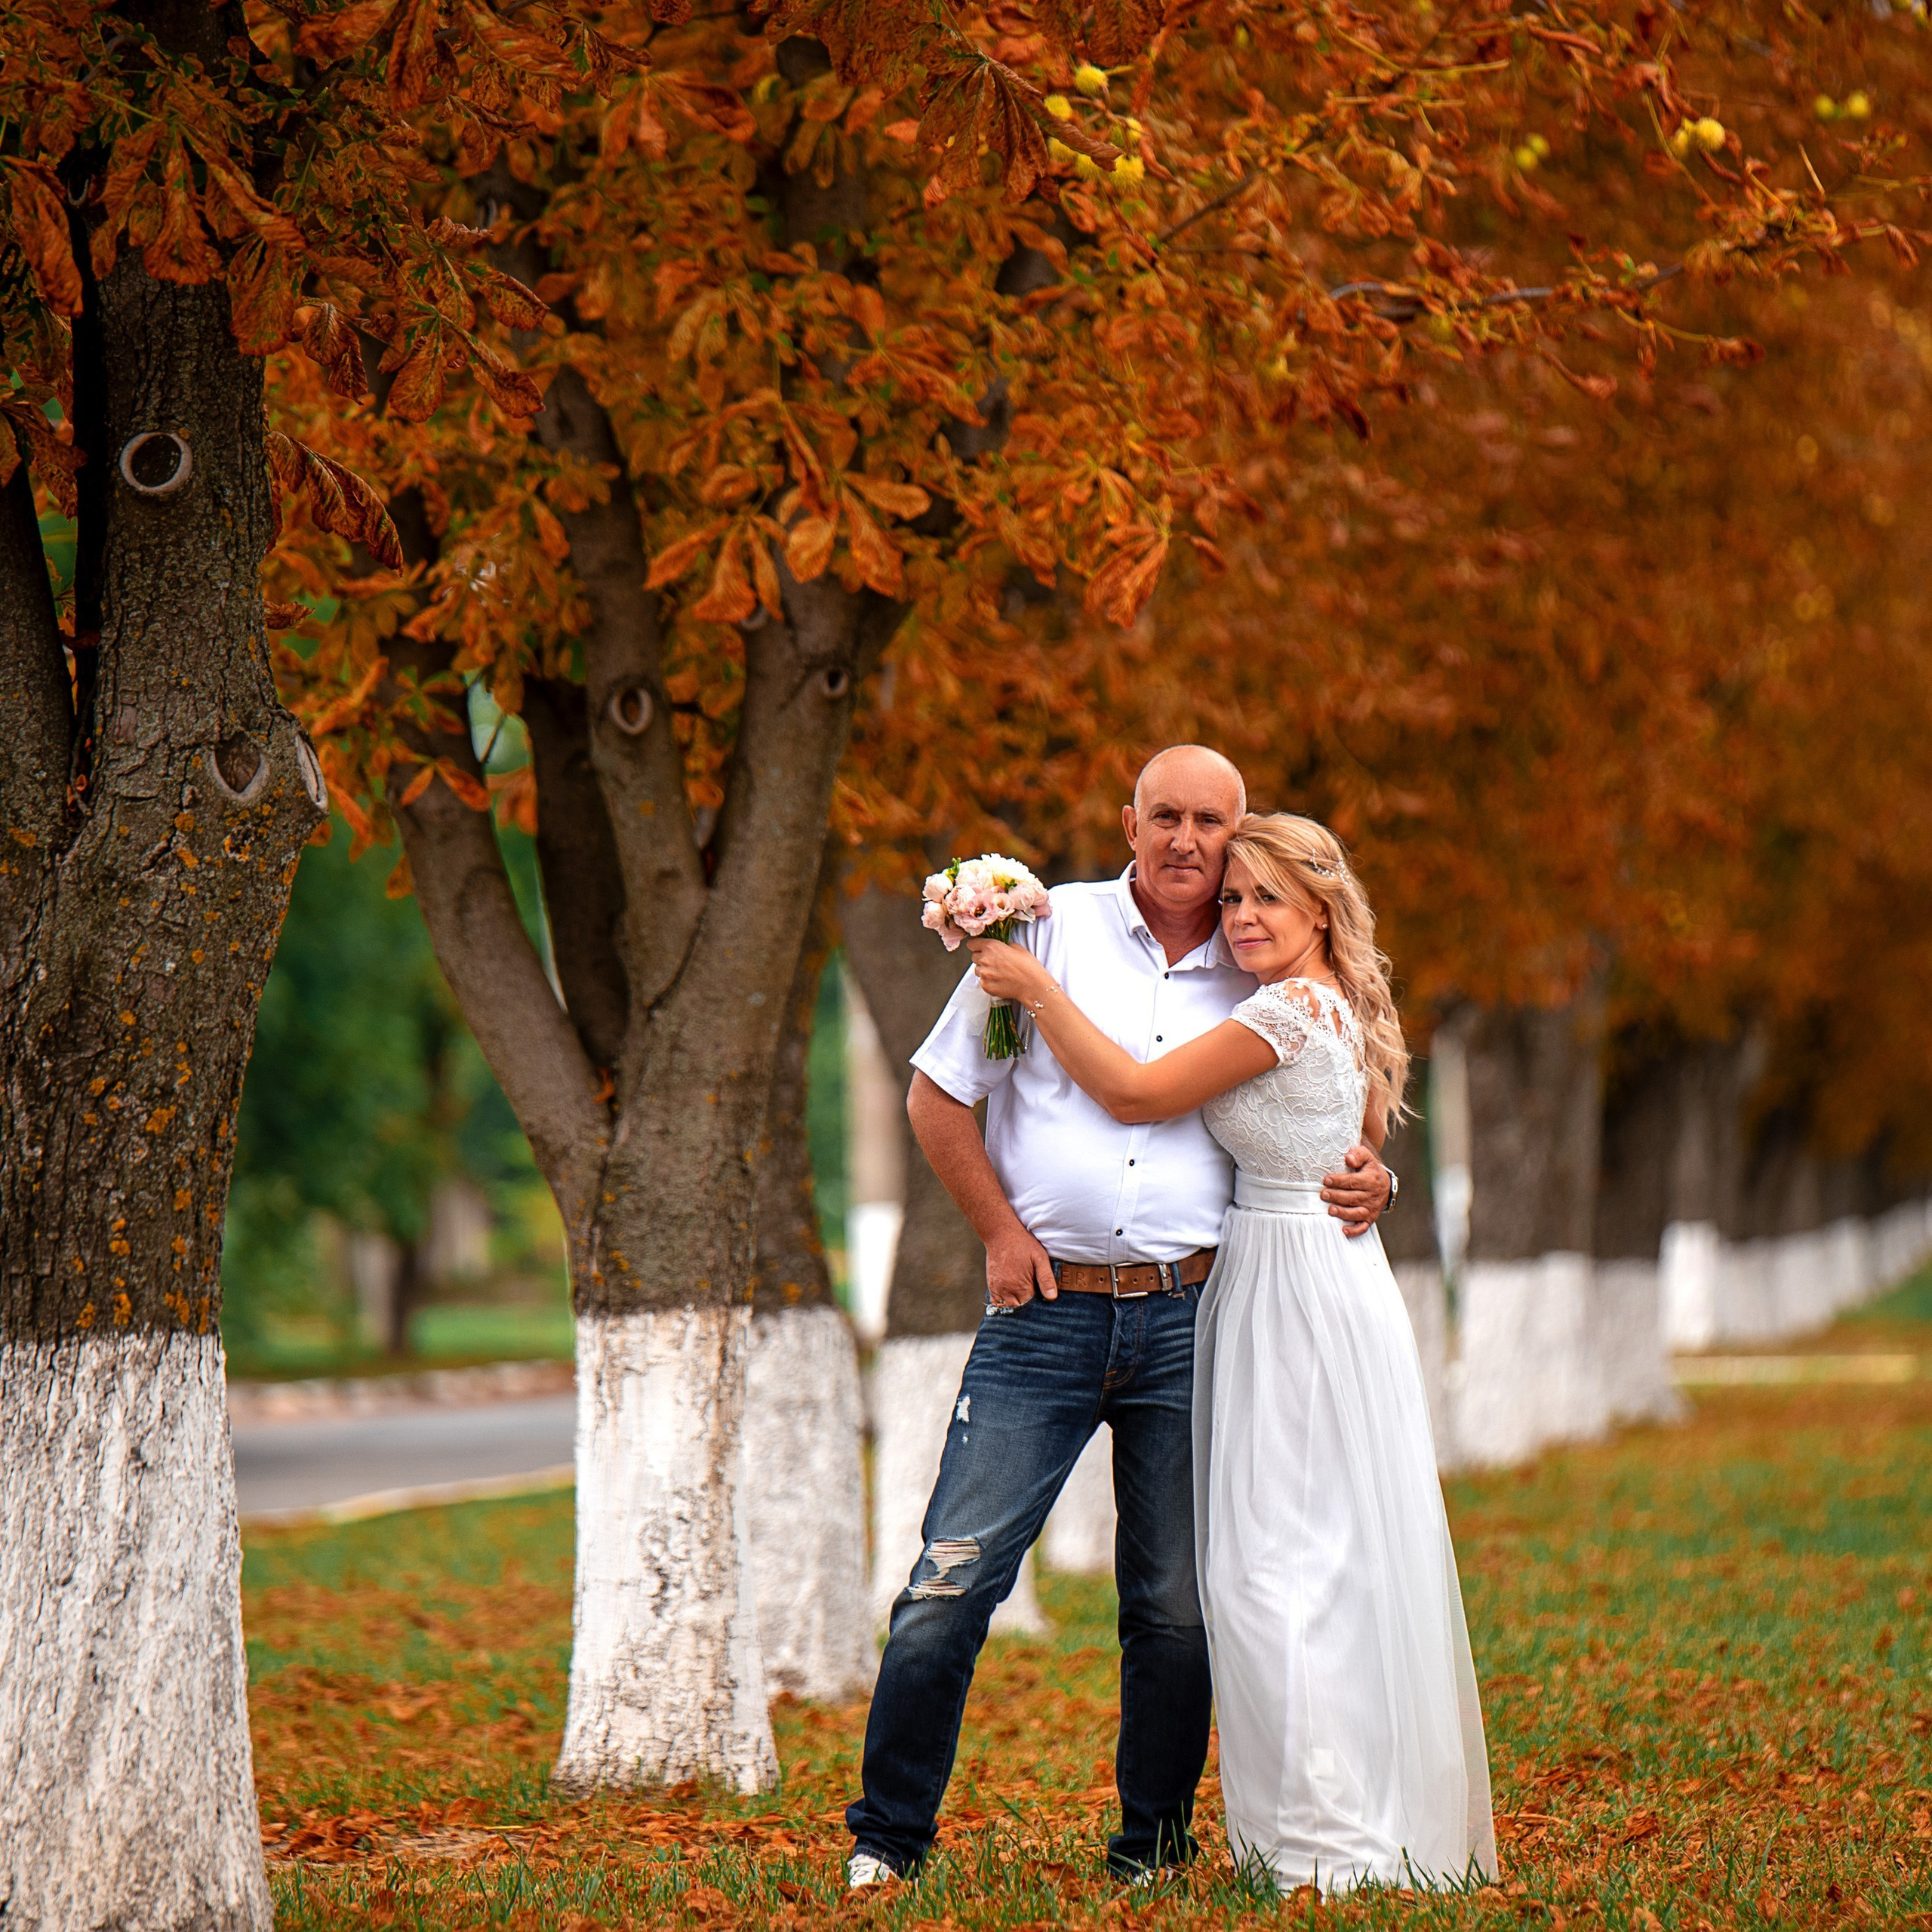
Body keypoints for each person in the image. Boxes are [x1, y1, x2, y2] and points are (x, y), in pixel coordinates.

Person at [844, 749, 1395, 1890]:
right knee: (950, 1584)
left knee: (1176, 1608)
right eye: (1166, 818)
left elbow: (1337, 1095)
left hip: (1198, 1316)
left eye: (1211, 823)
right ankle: (887, 1845)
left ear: (1239, 833)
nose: (1189, 844)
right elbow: (941, 1094)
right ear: (1128, 821)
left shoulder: (1264, 958)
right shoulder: (1046, 933)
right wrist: (998, 1229)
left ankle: (1150, 1848)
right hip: (1045, 1316)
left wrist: (1374, 1179)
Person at [969, 811, 1496, 1895]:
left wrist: (1037, 991)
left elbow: (1135, 1094)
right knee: (1291, 1564)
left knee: (1277, 1572)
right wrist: (1373, 1178)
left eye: (1268, 898)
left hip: (1298, 1287)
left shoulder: (1296, 1009)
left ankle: (1328, 1846)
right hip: (1270, 1273)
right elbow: (1348, 1146)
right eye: (1234, 898)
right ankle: (1316, 1826)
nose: (1243, 916)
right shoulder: (1306, 1003)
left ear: (1319, 910)